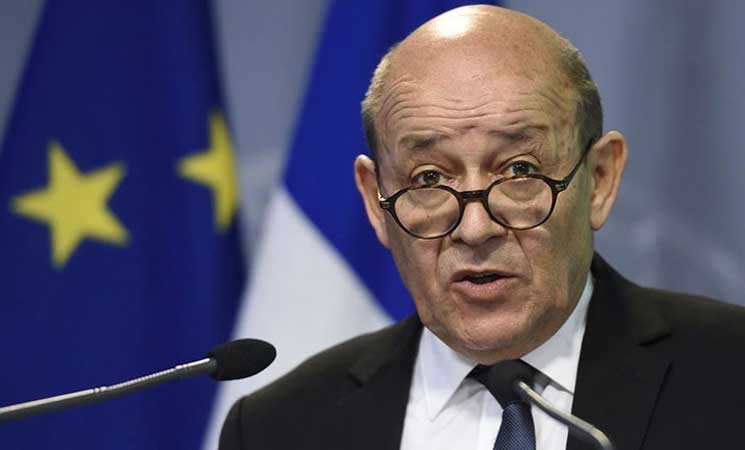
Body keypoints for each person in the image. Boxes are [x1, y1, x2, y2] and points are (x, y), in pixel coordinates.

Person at [219, 5, 745, 450]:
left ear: (600, 180)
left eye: (519, 170)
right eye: (428, 178)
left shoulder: (730, 375)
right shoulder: (277, 429)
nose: (474, 228)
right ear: (376, 203)